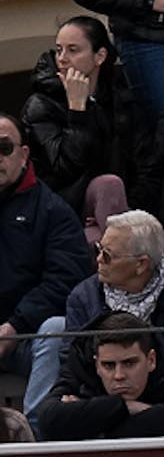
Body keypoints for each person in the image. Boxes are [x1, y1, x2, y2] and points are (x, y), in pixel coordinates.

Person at [49, 210, 164, 428]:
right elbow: (72, 368)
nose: (98, 260)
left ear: (141, 264)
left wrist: (92, 412)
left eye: (107, 255)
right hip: (103, 400)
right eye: (98, 250)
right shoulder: (83, 296)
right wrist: (120, 406)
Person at [18, 17, 154, 240]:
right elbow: (64, 168)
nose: (62, 59)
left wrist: (128, 207)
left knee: (110, 192)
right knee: (107, 187)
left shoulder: (120, 98)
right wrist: (77, 111)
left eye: (73, 50)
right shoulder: (41, 105)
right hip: (64, 213)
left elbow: (145, 164)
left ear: (100, 56)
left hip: (119, 210)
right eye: (59, 50)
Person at [0, 112, 92, 420]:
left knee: (56, 330)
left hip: (25, 338)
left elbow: (66, 280)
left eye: (4, 148)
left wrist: (14, 327)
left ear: (24, 154)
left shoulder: (53, 210)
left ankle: (37, 434)